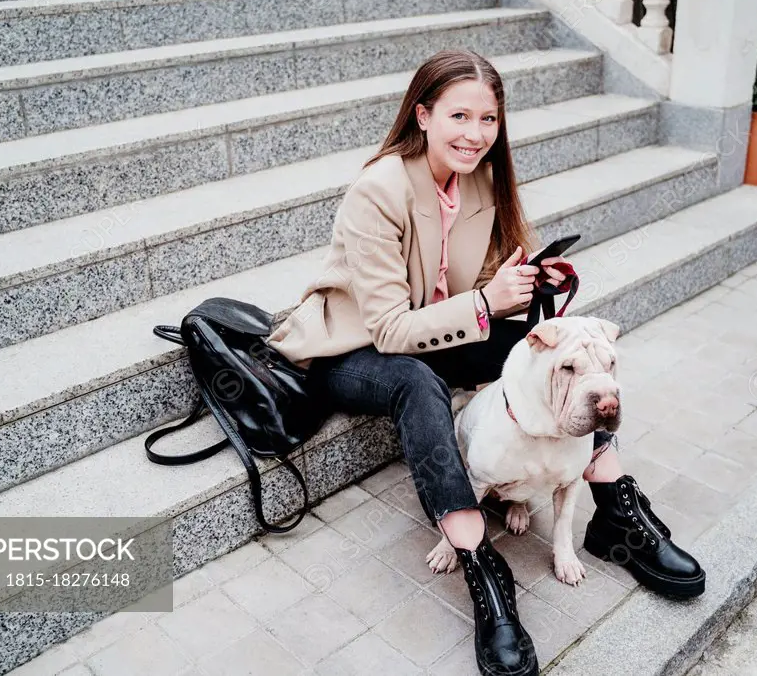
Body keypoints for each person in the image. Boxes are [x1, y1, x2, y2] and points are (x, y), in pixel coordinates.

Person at [266, 49, 704, 675]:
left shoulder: (479, 181)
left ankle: (614, 513)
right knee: (418, 384)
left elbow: (460, 292)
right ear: (421, 115)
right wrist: (482, 302)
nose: (476, 134)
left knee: (546, 343)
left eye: (489, 119)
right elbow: (391, 329)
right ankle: (479, 558)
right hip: (353, 350)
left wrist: (524, 286)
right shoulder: (379, 189)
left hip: (435, 333)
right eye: (459, 116)